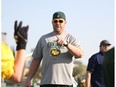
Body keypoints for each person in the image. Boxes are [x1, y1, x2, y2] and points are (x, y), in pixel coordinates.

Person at [25, 11, 84, 87]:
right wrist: (28, 78)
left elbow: (80, 54)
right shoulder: (44, 39)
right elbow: (36, 60)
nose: (58, 23)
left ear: (65, 22)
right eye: (55, 21)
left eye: (60, 21)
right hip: (47, 83)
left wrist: (67, 45)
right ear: (52, 22)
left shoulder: (71, 39)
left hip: (66, 83)